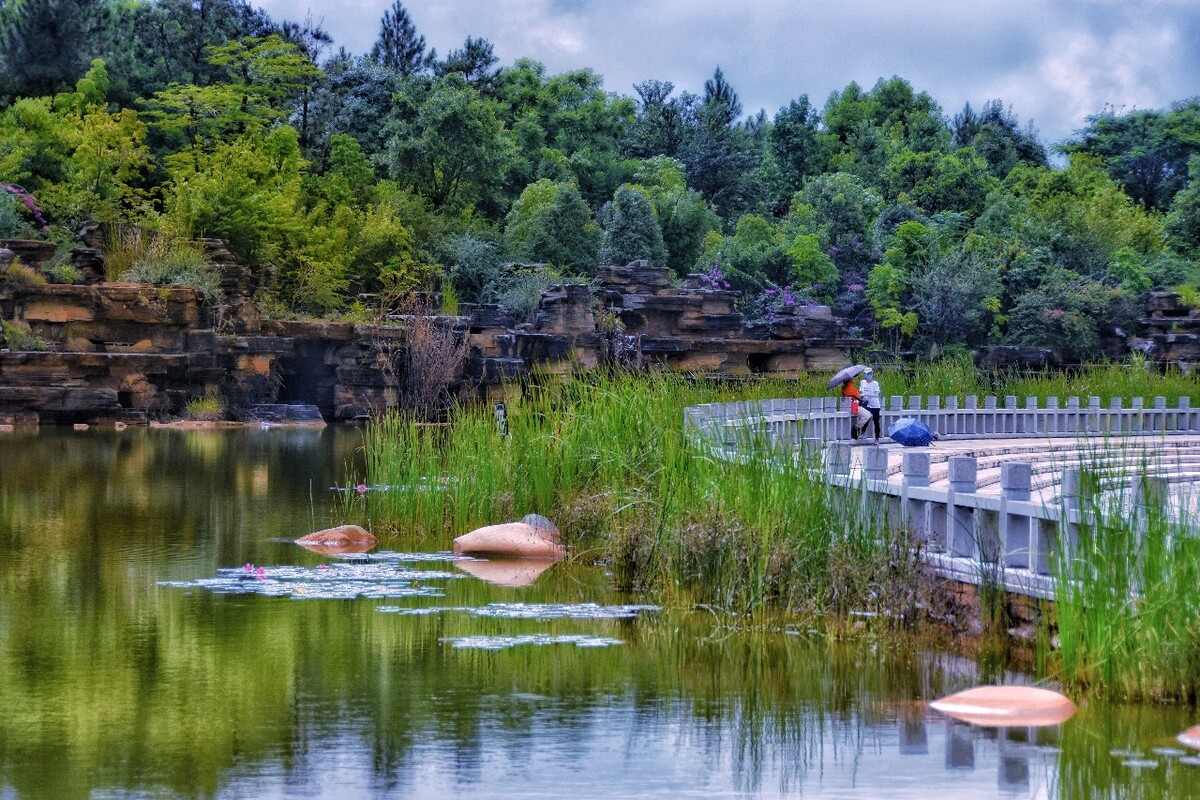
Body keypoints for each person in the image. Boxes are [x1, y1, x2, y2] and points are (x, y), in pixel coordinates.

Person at [859, 367, 883, 441]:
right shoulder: (862, 382)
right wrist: (862, 395)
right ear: (865, 375)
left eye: (870, 373)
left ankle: (877, 438)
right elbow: (860, 392)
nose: (869, 375)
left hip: (875, 405)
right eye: (867, 374)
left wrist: (866, 394)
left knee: (876, 422)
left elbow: (876, 394)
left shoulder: (875, 383)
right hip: (866, 404)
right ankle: (862, 433)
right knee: (866, 418)